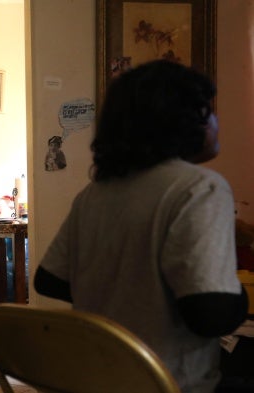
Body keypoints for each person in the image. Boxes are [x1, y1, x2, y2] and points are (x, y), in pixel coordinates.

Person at [34, 60, 248, 393]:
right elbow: (211, 314)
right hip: (166, 381)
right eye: (209, 111)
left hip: (95, 377)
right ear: (185, 121)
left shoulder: (97, 192)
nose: (218, 122)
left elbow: (49, 279)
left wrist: (127, 295)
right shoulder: (200, 187)